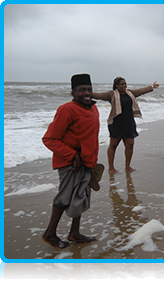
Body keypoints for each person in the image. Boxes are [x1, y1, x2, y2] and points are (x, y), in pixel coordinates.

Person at [42, 74, 100, 249]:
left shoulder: (93, 109)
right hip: (70, 165)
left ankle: (74, 233)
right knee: (65, 198)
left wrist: (90, 159)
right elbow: (49, 139)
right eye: (81, 90)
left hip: (87, 163)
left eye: (89, 89)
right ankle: (50, 233)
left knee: (80, 196)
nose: (86, 93)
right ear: (72, 93)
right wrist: (73, 156)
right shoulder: (66, 109)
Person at [92, 77, 159, 173]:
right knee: (113, 145)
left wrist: (152, 87)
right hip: (116, 124)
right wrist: (83, 94)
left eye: (125, 84)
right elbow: (98, 95)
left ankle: (127, 166)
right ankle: (111, 168)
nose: (124, 86)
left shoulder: (130, 93)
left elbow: (141, 91)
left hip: (129, 123)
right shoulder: (111, 95)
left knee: (130, 145)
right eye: (122, 84)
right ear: (116, 86)